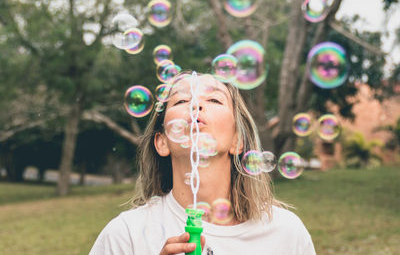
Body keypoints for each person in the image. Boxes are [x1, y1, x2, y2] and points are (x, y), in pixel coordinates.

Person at [89, 73, 316, 255]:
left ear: (237, 141)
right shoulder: (126, 235)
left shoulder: (285, 233)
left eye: (214, 99)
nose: (196, 105)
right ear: (162, 142)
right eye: (182, 100)